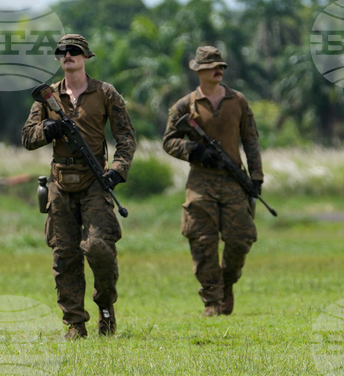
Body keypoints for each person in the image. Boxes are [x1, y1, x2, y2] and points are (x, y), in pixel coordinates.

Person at [21, 33, 136, 339]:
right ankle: (75, 323)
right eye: (63, 51)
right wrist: (48, 129)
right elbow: (27, 137)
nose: (68, 55)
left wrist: (118, 170)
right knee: (64, 255)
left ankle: (106, 307)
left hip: (96, 181)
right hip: (60, 183)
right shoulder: (47, 96)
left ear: (86, 57)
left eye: (74, 51)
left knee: (99, 247)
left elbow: (126, 137)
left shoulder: (106, 93)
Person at [161, 46, 262, 317]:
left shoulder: (238, 101)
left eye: (221, 66)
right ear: (199, 71)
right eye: (212, 66)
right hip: (201, 181)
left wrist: (256, 177)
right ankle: (212, 301)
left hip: (234, 181)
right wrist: (195, 151)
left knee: (240, 238)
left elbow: (251, 140)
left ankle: (227, 284)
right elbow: (168, 141)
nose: (219, 70)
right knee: (202, 242)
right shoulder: (184, 105)